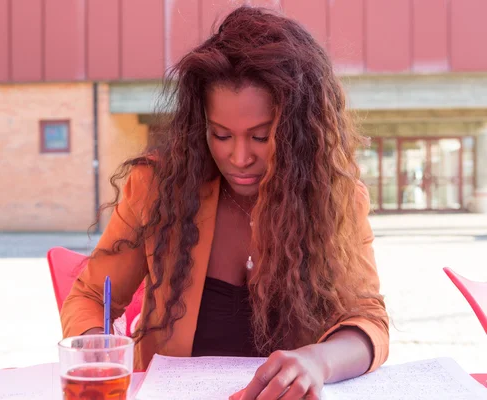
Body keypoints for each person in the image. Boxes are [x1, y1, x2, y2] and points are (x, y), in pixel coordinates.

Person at [61, 5, 389, 399]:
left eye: (261, 135)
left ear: (299, 133)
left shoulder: (335, 197)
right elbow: (92, 295)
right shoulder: (157, 187)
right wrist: (96, 345)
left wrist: (319, 360)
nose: (239, 157)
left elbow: (367, 318)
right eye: (221, 135)